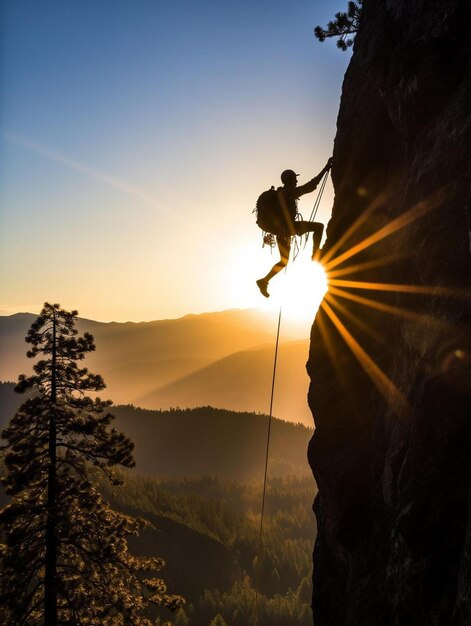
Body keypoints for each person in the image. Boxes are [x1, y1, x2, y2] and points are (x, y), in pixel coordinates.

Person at [256, 157, 333, 298]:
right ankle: (315, 256)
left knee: (284, 261)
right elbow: (310, 186)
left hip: (280, 232)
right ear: (290, 180)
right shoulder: (288, 193)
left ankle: (264, 281)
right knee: (319, 227)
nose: (296, 182)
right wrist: (326, 168)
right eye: (294, 179)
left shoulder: (281, 193)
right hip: (289, 228)